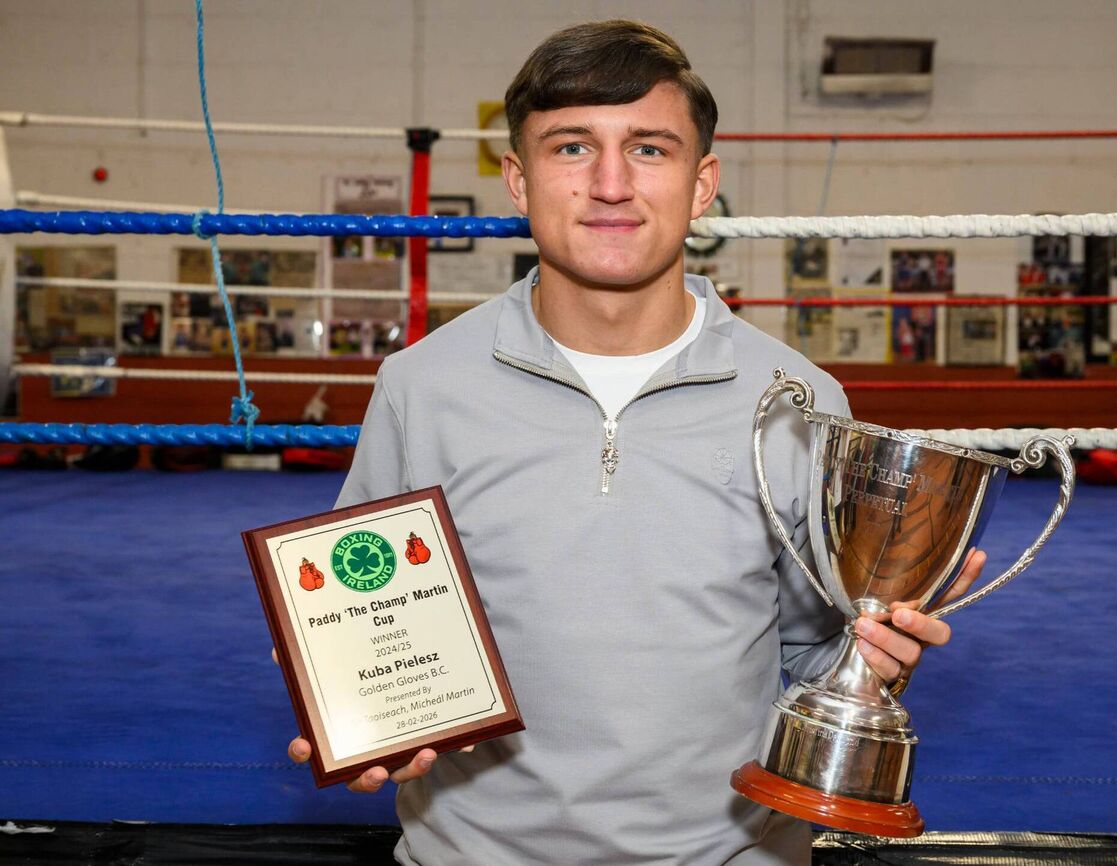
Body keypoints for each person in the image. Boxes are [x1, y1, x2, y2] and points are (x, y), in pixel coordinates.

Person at [283, 20, 985, 865]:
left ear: (701, 184)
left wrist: (877, 660)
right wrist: (367, 722)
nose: (610, 184)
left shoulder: (799, 402)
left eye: (650, 150)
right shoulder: (421, 385)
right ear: (518, 179)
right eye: (571, 147)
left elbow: (811, 657)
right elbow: (363, 618)